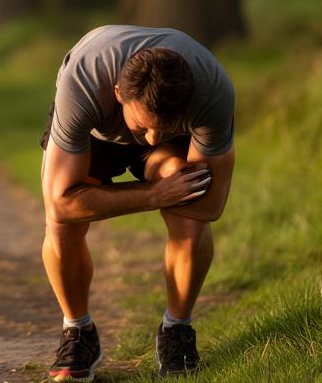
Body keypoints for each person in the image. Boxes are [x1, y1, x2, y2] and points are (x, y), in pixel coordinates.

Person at [39, 25, 235, 380]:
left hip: (170, 147)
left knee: (190, 204)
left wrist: (172, 181)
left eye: (164, 127)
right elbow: (61, 205)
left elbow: (210, 207)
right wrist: (153, 196)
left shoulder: (211, 91)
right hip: (96, 135)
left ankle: (177, 330)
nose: (152, 137)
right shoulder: (83, 83)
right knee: (62, 225)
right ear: (117, 92)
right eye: (144, 128)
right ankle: (78, 331)